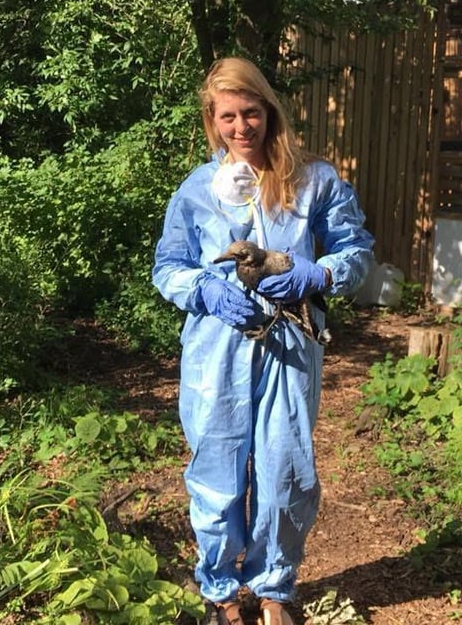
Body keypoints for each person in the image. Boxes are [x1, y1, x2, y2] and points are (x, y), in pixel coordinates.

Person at [151, 57, 375, 625]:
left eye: (250, 112)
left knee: (285, 471)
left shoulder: (314, 178)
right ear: (212, 120)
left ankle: (274, 588)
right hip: (216, 350)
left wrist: (317, 274)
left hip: (291, 347)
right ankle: (222, 593)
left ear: (269, 111)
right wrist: (204, 290)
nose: (241, 127)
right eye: (227, 116)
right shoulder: (197, 190)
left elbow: (356, 252)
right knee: (216, 470)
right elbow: (169, 267)